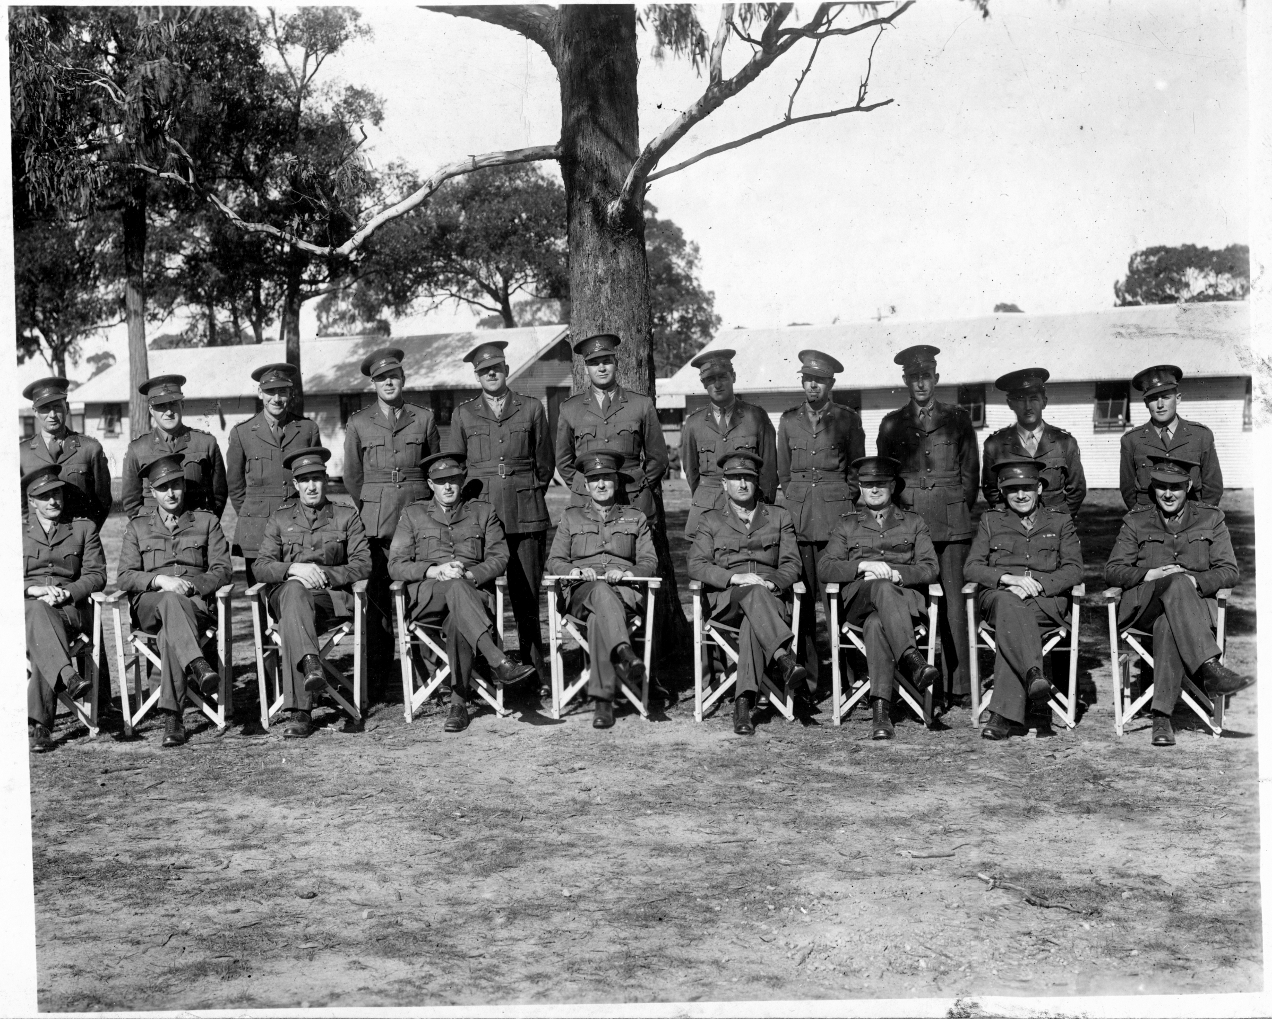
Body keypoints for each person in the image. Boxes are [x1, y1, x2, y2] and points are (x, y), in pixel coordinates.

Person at [1104, 453, 1251, 746]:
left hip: (1190, 612)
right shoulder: (1136, 521)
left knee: (1167, 625)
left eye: (1176, 487)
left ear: (1189, 486)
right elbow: (1112, 570)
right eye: (1161, 487)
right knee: (1173, 584)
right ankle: (1210, 667)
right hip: (1145, 606)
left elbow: (1229, 570)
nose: (1168, 494)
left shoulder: (1211, 518)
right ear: (1153, 488)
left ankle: (1161, 718)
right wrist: (1149, 574)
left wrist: (1196, 581)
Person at [388, 452, 536, 733]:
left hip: (471, 595)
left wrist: (470, 575)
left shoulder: (483, 512)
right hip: (429, 598)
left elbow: (499, 557)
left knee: (459, 618)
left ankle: (458, 705)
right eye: (440, 482)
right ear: (430, 485)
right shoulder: (414, 514)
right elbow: (395, 565)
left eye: (453, 481)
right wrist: (435, 571)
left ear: (462, 480)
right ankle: (498, 661)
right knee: (455, 587)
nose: (448, 487)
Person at [876, 344, 979, 708]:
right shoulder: (892, 423)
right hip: (910, 522)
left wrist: (952, 506)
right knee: (910, 599)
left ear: (936, 378)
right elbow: (886, 476)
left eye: (926, 376)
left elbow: (970, 478)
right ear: (905, 380)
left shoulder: (958, 418)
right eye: (914, 377)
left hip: (952, 523)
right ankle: (912, 679)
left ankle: (960, 686)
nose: (921, 383)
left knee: (954, 605)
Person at [447, 339, 555, 684]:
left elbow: (545, 463)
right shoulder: (464, 413)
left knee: (527, 598)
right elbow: (457, 468)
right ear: (477, 377)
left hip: (526, 513)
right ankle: (490, 671)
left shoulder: (531, 407)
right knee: (481, 596)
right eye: (483, 371)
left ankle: (534, 672)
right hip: (482, 519)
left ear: (506, 370)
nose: (491, 374)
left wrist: (526, 492)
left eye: (496, 368)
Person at [252, 447, 372, 739]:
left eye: (316, 478)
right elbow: (260, 567)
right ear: (295, 484)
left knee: (294, 611)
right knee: (293, 593)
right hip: (288, 599)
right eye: (304, 480)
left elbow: (363, 563)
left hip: (330, 601)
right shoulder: (280, 519)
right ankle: (311, 666)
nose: (311, 486)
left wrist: (321, 576)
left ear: (326, 480)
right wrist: (295, 569)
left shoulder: (346, 516)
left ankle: (300, 712)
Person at [818, 456, 940, 740]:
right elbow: (825, 567)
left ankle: (880, 714)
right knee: (879, 591)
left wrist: (896, 574)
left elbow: (931, 567)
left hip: (902, 603)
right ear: (859, 488)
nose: (873, 490)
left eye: (880, 484)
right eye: (867, 485)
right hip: (858, 602)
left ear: (893, 486)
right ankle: (912, 659)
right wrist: (862, 566)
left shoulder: (913, 522)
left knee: (877, 624)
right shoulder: (847, 525)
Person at [116, 455, 233, 748]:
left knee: (171, 633)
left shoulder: (206, 521)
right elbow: (125, 576)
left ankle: (172, 717)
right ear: (152, 492)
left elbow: (222, 570)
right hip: (150, 606)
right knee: (169, 600)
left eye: (176, 485)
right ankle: (197, 663)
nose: (171, 493)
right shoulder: (138, 527)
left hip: (194, 605)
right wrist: (159, 581)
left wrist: (192, 585)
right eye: (163, 487)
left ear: (183, 485)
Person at [687, 451, 806, 735]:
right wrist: (733, 577)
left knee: (752, 624)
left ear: (757, 482)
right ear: (723, 484)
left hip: (769, 600)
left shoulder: (778, 516)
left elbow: (792, 563)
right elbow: (696, 564)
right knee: (751, 594)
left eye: (748, 478)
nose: (742, 484)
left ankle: (743, 704)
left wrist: (774, 582)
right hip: (727, 601)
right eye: (735, 478)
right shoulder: (710, 520)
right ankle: (783, 657)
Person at [964, 458, 1084, 741]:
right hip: (1001, 597)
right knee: (1009, 606)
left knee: (1012, 625)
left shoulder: (1060, 520)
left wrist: (1037, 585)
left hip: (1044, 602)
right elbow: (971, 567)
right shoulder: (991, 520)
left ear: (1039, 488)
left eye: (1027, 488)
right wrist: (1009, 579)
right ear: (1003, 493)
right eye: (1012, 489)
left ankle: (1002, 715)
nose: (1020, 495)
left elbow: (1074, 569)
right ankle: (1032, 675)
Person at [342, 346, 441, 688]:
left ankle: (429, 676)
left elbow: (434, 468)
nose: (388, 383)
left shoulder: (423, 417)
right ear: (373, 384)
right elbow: (353, 477)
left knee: (422, 593)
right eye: (381, 378)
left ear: (403, 379)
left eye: (393, 376)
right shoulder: (358, 422)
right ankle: (381, 679)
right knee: (379, 601)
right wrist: (374, 505)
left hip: (418, 516)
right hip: (377, 522)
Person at [546, 448, 659, 730]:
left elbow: (649, 561)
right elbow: (555, 560)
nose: (601, 484)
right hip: (582, 592)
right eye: (595, 479)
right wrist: (573, 571)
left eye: (607, 478)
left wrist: (627, 572)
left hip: (624, 593)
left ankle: (603, 702)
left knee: (599, 618)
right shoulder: (571, 517)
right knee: (597, 590)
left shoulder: (635, 517)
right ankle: (624, 652)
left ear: (617, 482)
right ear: (585, 486)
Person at [776, 349, 865, 688]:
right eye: (808, 379)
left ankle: (849, 677)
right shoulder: (787, 420)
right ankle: (808, 680)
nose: (813, 386)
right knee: (803, 600)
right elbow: (784, 473)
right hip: (799, 521)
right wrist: (800, 498)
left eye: (820, 381)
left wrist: (840, 499)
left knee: (839, 601)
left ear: (831, 384)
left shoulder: (847, 418)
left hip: (835, 520)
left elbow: (856, 470)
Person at [22, 465, 107, 753]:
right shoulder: (14, 531)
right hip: (26, 611)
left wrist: (66, 592)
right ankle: (69, 677)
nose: (53, 501)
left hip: (69, 611)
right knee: (36, 613)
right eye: (44, 496)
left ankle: (40, 725)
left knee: (40, 635)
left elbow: (96, 575)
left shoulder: (84, 528)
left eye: (56, 492)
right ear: (32, 500)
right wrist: (32, 590)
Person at [225, 362, 321, 586]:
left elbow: (314, 476)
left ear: (291, 393)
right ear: (260, 393)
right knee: (260, 592)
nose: (276, 398)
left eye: (283, 391)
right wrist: (253, 513)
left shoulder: (307, 429)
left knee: (301, 588)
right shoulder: (242, 432)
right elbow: (235, 485)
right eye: (270, 391)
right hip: (257, 526)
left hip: (299, 524)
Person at [679, 348, 778, 537]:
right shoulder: (694, 423)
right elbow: (691, 472)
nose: (717, 384)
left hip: (748, 508)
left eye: (722, 377)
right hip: (708, 510)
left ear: (733, 376)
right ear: (703, 384)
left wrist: (763, 508)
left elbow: (769, 471)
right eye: (710, 380)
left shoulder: (756, 416)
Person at [981, 368, 1086, 517]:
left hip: (1055, 527)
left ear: (1044, 402)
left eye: (1034, 398)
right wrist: (1008, 520)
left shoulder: (1064, 442)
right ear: (1010, 404)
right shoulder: (995, 444)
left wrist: (1061, 522)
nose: (1028, 406)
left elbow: (1077, 489)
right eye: (1020, 399)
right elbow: (991, 490)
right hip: (1014, 527)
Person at [120, 374, 228, 519]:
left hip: (196, 531)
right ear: (151, 410)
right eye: (161, 406)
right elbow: (131, 502)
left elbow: (218, 495)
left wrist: (205, 527)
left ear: (182, 405)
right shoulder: (138, 449)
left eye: (173, 404)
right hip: (154, 533)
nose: (169, 412)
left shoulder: (206, 443)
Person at [1119, 364, 1223, 510]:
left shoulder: (1201, 435)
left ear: (1178, 398)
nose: (1160, 405)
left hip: (1193, 522)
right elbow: (1128, 489)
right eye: (1154, 399)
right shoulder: (1131, 440)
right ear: (1146, 403)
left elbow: (1213, 487)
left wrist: (1201, 521)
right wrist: (1141, 521)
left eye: (1166, 397)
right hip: (1149, 524)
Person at [20, 376, 112, 529]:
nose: (52, 415)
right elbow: (17, 503)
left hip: (80, 543)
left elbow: (103, 501)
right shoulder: (22, 453)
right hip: (38, 545)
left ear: (67, 407)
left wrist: (87, 535)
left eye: (57, 406)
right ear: (35, 412)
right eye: (44, 409)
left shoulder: (90, 448)